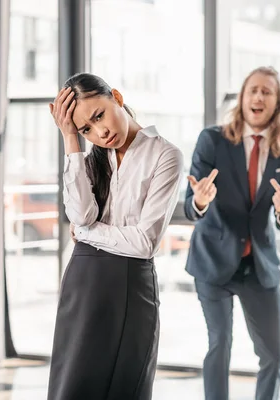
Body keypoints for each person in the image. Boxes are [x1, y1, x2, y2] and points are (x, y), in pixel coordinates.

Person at [46, 72, 183, 400]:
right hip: (83, 282)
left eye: (99, 116)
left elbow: (144, 243)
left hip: (131, 287)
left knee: (127, 387)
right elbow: (80, 214)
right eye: (86, 130)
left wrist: (86, 232)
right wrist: (70, 140)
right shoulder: (91, 158)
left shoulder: (165, 155)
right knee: (72, 389)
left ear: (117, 98)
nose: (100, 132)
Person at [184, 66, 280, 400]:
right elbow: (190, 206)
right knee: (220, 344)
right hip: (213, 259)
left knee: (274, 354)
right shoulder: (213, 140)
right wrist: (200, 201)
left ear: (277, 102)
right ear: (242, 97)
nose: (258, 96)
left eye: (267, 91)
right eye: (252, 90)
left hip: (258, 265)